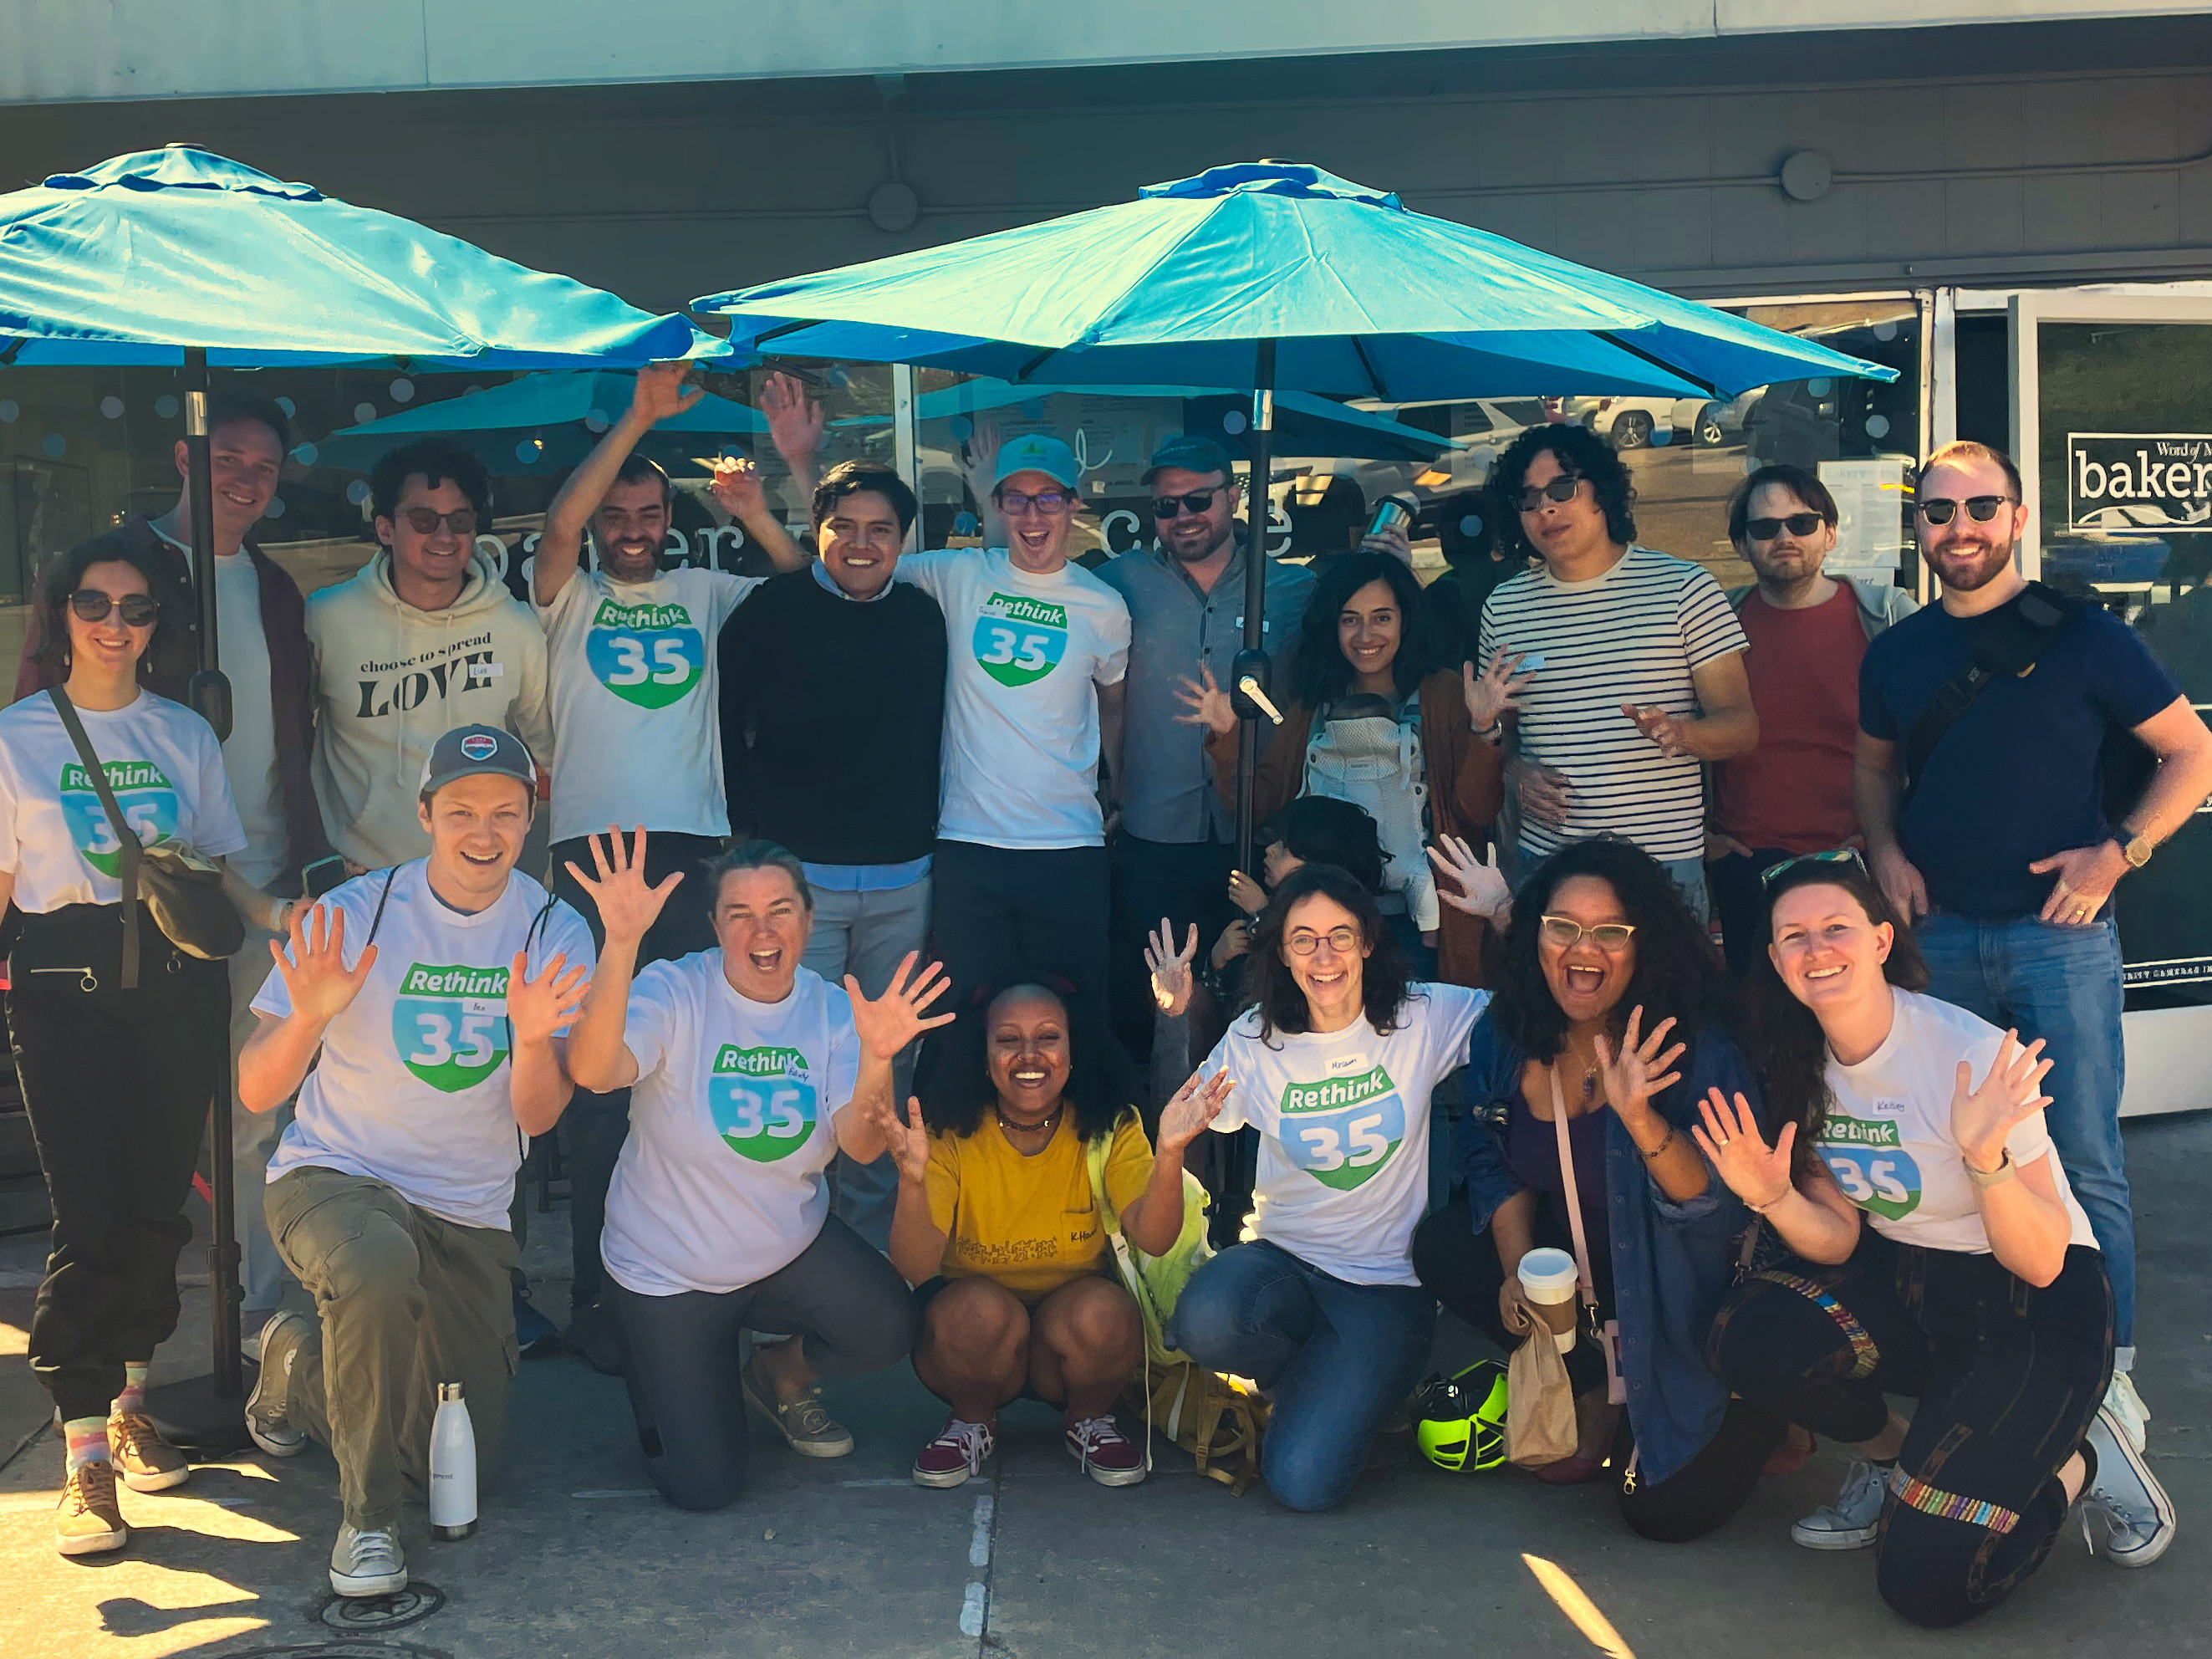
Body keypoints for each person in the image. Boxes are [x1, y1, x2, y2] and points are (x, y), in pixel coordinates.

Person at [1703, 855, 2172, 1626]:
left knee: (1925, 1584)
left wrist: (1985, 1162)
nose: (1816, 949)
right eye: (1793, 936)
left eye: (1835, 928)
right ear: (1774, 958)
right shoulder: (1793, 1060)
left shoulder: (1971, 1057)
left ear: (1882, 940)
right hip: (1914, 1286)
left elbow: (2043, 1258)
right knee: (1745, 1336)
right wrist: (1777, 1198)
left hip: (2036, 1304)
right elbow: (1835, 1238)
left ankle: (2083, 1458)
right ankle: (1896, 1462)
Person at [1853, 439, 2212, 1445]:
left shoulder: (2089, 639)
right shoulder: (1897, 651)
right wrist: (1880, 848)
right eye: (1937, 511)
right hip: (1940, 941)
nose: (1957, 528)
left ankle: (2110, 1374)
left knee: (2088, 1158)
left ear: (2016, 517)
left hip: (2060, 942)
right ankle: (1986, 1355)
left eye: (1980, 507)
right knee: (1958, 1158)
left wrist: (2120, 853)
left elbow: (2192, 753)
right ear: (1917, 525)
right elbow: (1874, 773)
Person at [238, 725, 595, 1599]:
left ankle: (297, 1362)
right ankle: (366, 1528)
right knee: (377, 1267)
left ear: (529, 819)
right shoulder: (356, 912)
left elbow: (539, 1116)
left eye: (507, 813)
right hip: (335, 1175)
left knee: (447, 1458)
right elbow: (254, 1088)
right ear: (426, 813)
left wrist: (531, 1036)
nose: (486, 832)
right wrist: (310, 1016)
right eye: (464, 810)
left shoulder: (554, 927)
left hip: (467, 1209)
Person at [13, 393, 335, 1346]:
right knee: (121, 1157)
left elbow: (291, 734)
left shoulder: (275, 587)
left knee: (252, 1110)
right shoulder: (119, 566)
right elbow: (47, 708)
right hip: (115, 907)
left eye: (264, 465)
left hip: (243, 873)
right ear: (188, 458)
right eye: (228, 456)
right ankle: (116, 1375)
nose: (246, 477)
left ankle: (254, 1323)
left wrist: (292, 879)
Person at [0, 538, 288, 1558]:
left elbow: (212, 866)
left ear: (156, 625)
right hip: (63, 987)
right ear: (59, 611)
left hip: (175, 988)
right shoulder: (14, 737)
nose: (115, 623)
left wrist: (278, 915)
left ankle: (127, 1400)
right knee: (89, 1216)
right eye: (93, 601)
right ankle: (80, 1455)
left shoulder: (182, 732)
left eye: (135, 607)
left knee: (160, 1208)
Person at [531, 364, 805, 1356]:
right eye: (621, 511)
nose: (633, 526)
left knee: (691, 1074)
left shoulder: (701, 589)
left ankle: (702, 1282)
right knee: (598, 1086)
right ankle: (602, 1300)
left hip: (694, 852)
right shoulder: (566, 596)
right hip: (593, 856)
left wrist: (754, 507)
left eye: (649, 510)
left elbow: (797, 584)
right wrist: (639, 419)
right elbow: (559, 530)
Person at [1409, 837, 1781, 1539]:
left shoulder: (1695, 1048)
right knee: (1446, 1247)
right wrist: (1519, 1268)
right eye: (1563, 927)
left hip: (1687, 1295)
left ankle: (1760, 1396)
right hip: (1586, 1277)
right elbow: (1489, 1155)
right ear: (1535, 936)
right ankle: (1597, 1389)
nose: (1585, 949)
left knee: (1661, 1514)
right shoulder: (1508, 1031)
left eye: (1611, 931)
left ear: (1646, 944)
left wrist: (1641, 1120)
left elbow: (1718, 1213)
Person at [560, 834, 945, 1508]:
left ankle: (775, 1375)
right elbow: (594, 1072)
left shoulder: (830, 1009)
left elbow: (857, 1146)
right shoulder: (676, 988)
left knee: (889, 1323)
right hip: (667, 1272)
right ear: (715, 927)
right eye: (740, 914)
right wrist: (620, 942)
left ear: (808, 920)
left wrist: (878, 1056)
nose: (762, 931)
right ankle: (668, 1366)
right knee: (703, 1487)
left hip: (781, 1252)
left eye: (780, 910)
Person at [1164, 865, 1489, 1512]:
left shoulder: (1422, 1015)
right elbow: (1186, 1110)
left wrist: (1502, 914)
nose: (1324, 955)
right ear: (1282, 952)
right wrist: (1178, 1013)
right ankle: (1324, 1382)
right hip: (1282, 1267)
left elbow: (1527, 1021)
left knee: (1301, 1484)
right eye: (1303, 939)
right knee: (1202, 1318)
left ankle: (1361, 1385)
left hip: (1385, 1290)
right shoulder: (1257, 1037)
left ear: (1369, 941)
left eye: (1340, 936)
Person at [721, 457, 947, 1252]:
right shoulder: (768, 610)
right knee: (791, 1063)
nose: (860, 544)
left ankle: (868, 1253)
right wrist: (749, 837)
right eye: (841, 528)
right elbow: (726, 723)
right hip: (799, 884)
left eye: (879, 529)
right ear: (815, 533)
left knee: (887, 1066)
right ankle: (781, 1246)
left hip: (903, 882)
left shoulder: (925, 618)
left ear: (903, 541)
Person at [887, 979, 1223, 1489]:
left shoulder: (1112, 1124)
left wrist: (1171, 1151)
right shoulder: (948, 1131)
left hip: (1071, 1338)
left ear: (1072, 1052)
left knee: (1105, 1312)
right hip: (971, 1341)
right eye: (1007, 1040)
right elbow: (914, 1267)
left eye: (1048, 1037)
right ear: (983, 1056)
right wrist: (912, 1182)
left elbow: (1154, 1239)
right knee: (974, 1312)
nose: (1029, 1055)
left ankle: (1088, 1419)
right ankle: (972, 1420)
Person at [1178, 550, 1507, 986]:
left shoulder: (1445, 693)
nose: (1365, 634)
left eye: (1382, 617)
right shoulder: (1312, 704)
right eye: (1350, 619)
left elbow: (1477, 811)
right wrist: (1227, 738)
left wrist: (1484, 730)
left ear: (1406, 621)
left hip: (1417, 926)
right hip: (1323, 929)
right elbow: (1261, 811)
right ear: (1331, 627)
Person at [891, 433, 1131, 1019]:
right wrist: (797, 468)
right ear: (997, 507)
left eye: (1049, 499)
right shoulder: (957, 575)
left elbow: (1115, 706)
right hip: (969, 844)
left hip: (1068, 845)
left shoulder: (1104, 605)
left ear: (1075, 505)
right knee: (970, 1017)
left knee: (1077, 1016)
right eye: (1017, 499)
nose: (1033, 515)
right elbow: (853, 564)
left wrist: (1117, 789)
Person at [1478, 422, 1756, 918]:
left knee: (1667, 999)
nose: (1546, 507)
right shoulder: (1504, 608)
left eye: (1563, 488)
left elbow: (1741, 728)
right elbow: (1503, 741)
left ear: (1601, 492)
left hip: (1662, 866)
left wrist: (1681, 733)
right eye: (1529, 498)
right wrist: (1516, 771)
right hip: (1550, 864)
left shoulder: (1683, 589)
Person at [1096, 434, 1315, 1058]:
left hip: (1257, 831)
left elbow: (1347, 665)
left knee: (1259, 998)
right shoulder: (1117, 584)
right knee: (1161, 1007)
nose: (1183, 516)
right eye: (1167, 507)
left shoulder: (1294, 589)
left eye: (1198, 500)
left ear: (1235, 495)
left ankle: (1243, 1136)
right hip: (1152, 834)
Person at [1707, 463, 1916, 976]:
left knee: (1861, 1035)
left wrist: (1887, 840)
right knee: (1763, 1041)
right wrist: (1703, 837)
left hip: (1857, 861)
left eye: (1801, 523)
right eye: (1764, 527)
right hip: (1746, 863)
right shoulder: (1714, 627)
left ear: (1830, 533)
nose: (1784, 537)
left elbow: (1937, 745)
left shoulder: (1887, 619)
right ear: (1741, 545)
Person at [306, 439, 552, 870]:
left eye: (459, 520)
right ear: (385, 528)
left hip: (478, 878)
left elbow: (548, 752)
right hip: (361, 878)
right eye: (423, 519)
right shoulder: (327, 617)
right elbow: (286, 744)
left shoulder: (514, 626)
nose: (443, 535)